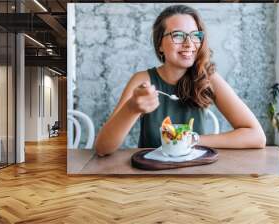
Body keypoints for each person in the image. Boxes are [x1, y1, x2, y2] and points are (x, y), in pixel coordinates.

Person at [95, 5, 266, 156]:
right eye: (178, 35)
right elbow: (103, 148)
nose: (189, 43)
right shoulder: (143, 79)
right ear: (160, 45)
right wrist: (131, 108)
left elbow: (257, 137)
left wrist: (192, 139)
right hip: (149, 177)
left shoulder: (207, 77)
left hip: (194, 174)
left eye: (195, 35)